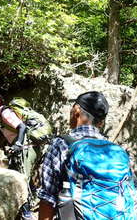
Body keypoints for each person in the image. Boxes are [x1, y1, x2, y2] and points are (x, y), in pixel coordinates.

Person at [38, 91, 109, 219]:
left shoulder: (61, 144)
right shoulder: (113, 149)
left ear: (76, 110)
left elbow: (48, 200)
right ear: (101, 123)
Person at [0, 97, 37, 220]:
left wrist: (17, 144)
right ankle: (32, 201)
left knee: (22, 178)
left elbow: (22, 127)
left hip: (26, 148)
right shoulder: (3, 115)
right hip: (26, 147)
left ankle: (27, 213)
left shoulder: (5, 114)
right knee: (21, 175)